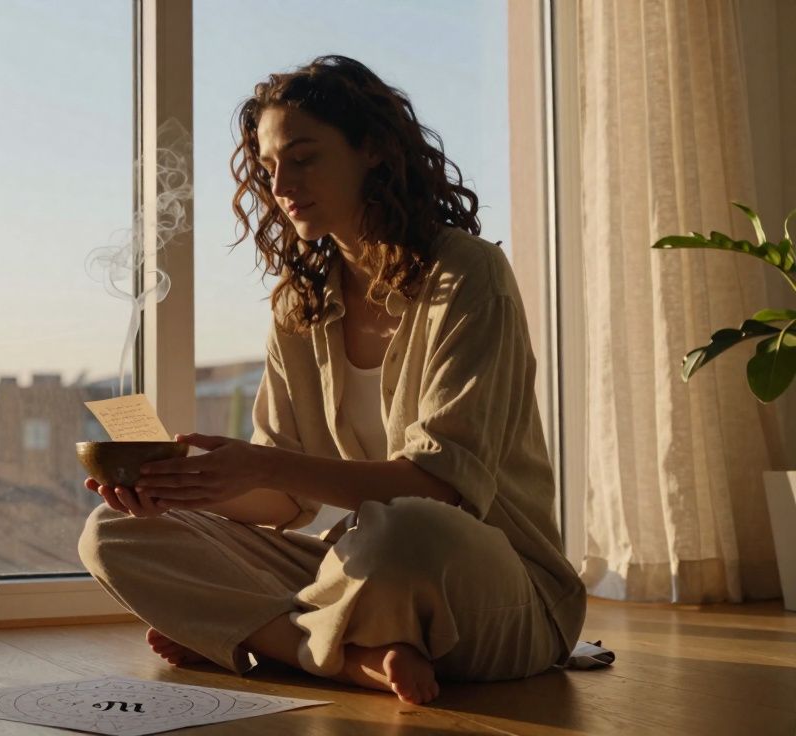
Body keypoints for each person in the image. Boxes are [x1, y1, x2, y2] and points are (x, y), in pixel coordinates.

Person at [77, 55, 585, 705]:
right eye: (268, 167)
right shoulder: (300, 305)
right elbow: (287, 504)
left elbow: (440, 488)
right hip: (358, 563)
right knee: (111, 534)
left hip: (492, 581)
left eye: (304, 157)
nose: (281, 183)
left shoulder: (468, 275)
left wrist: (263, 469)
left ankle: (277, 640)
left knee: (403, 528)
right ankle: (353, 660)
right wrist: (184, 488)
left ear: (371, 149)